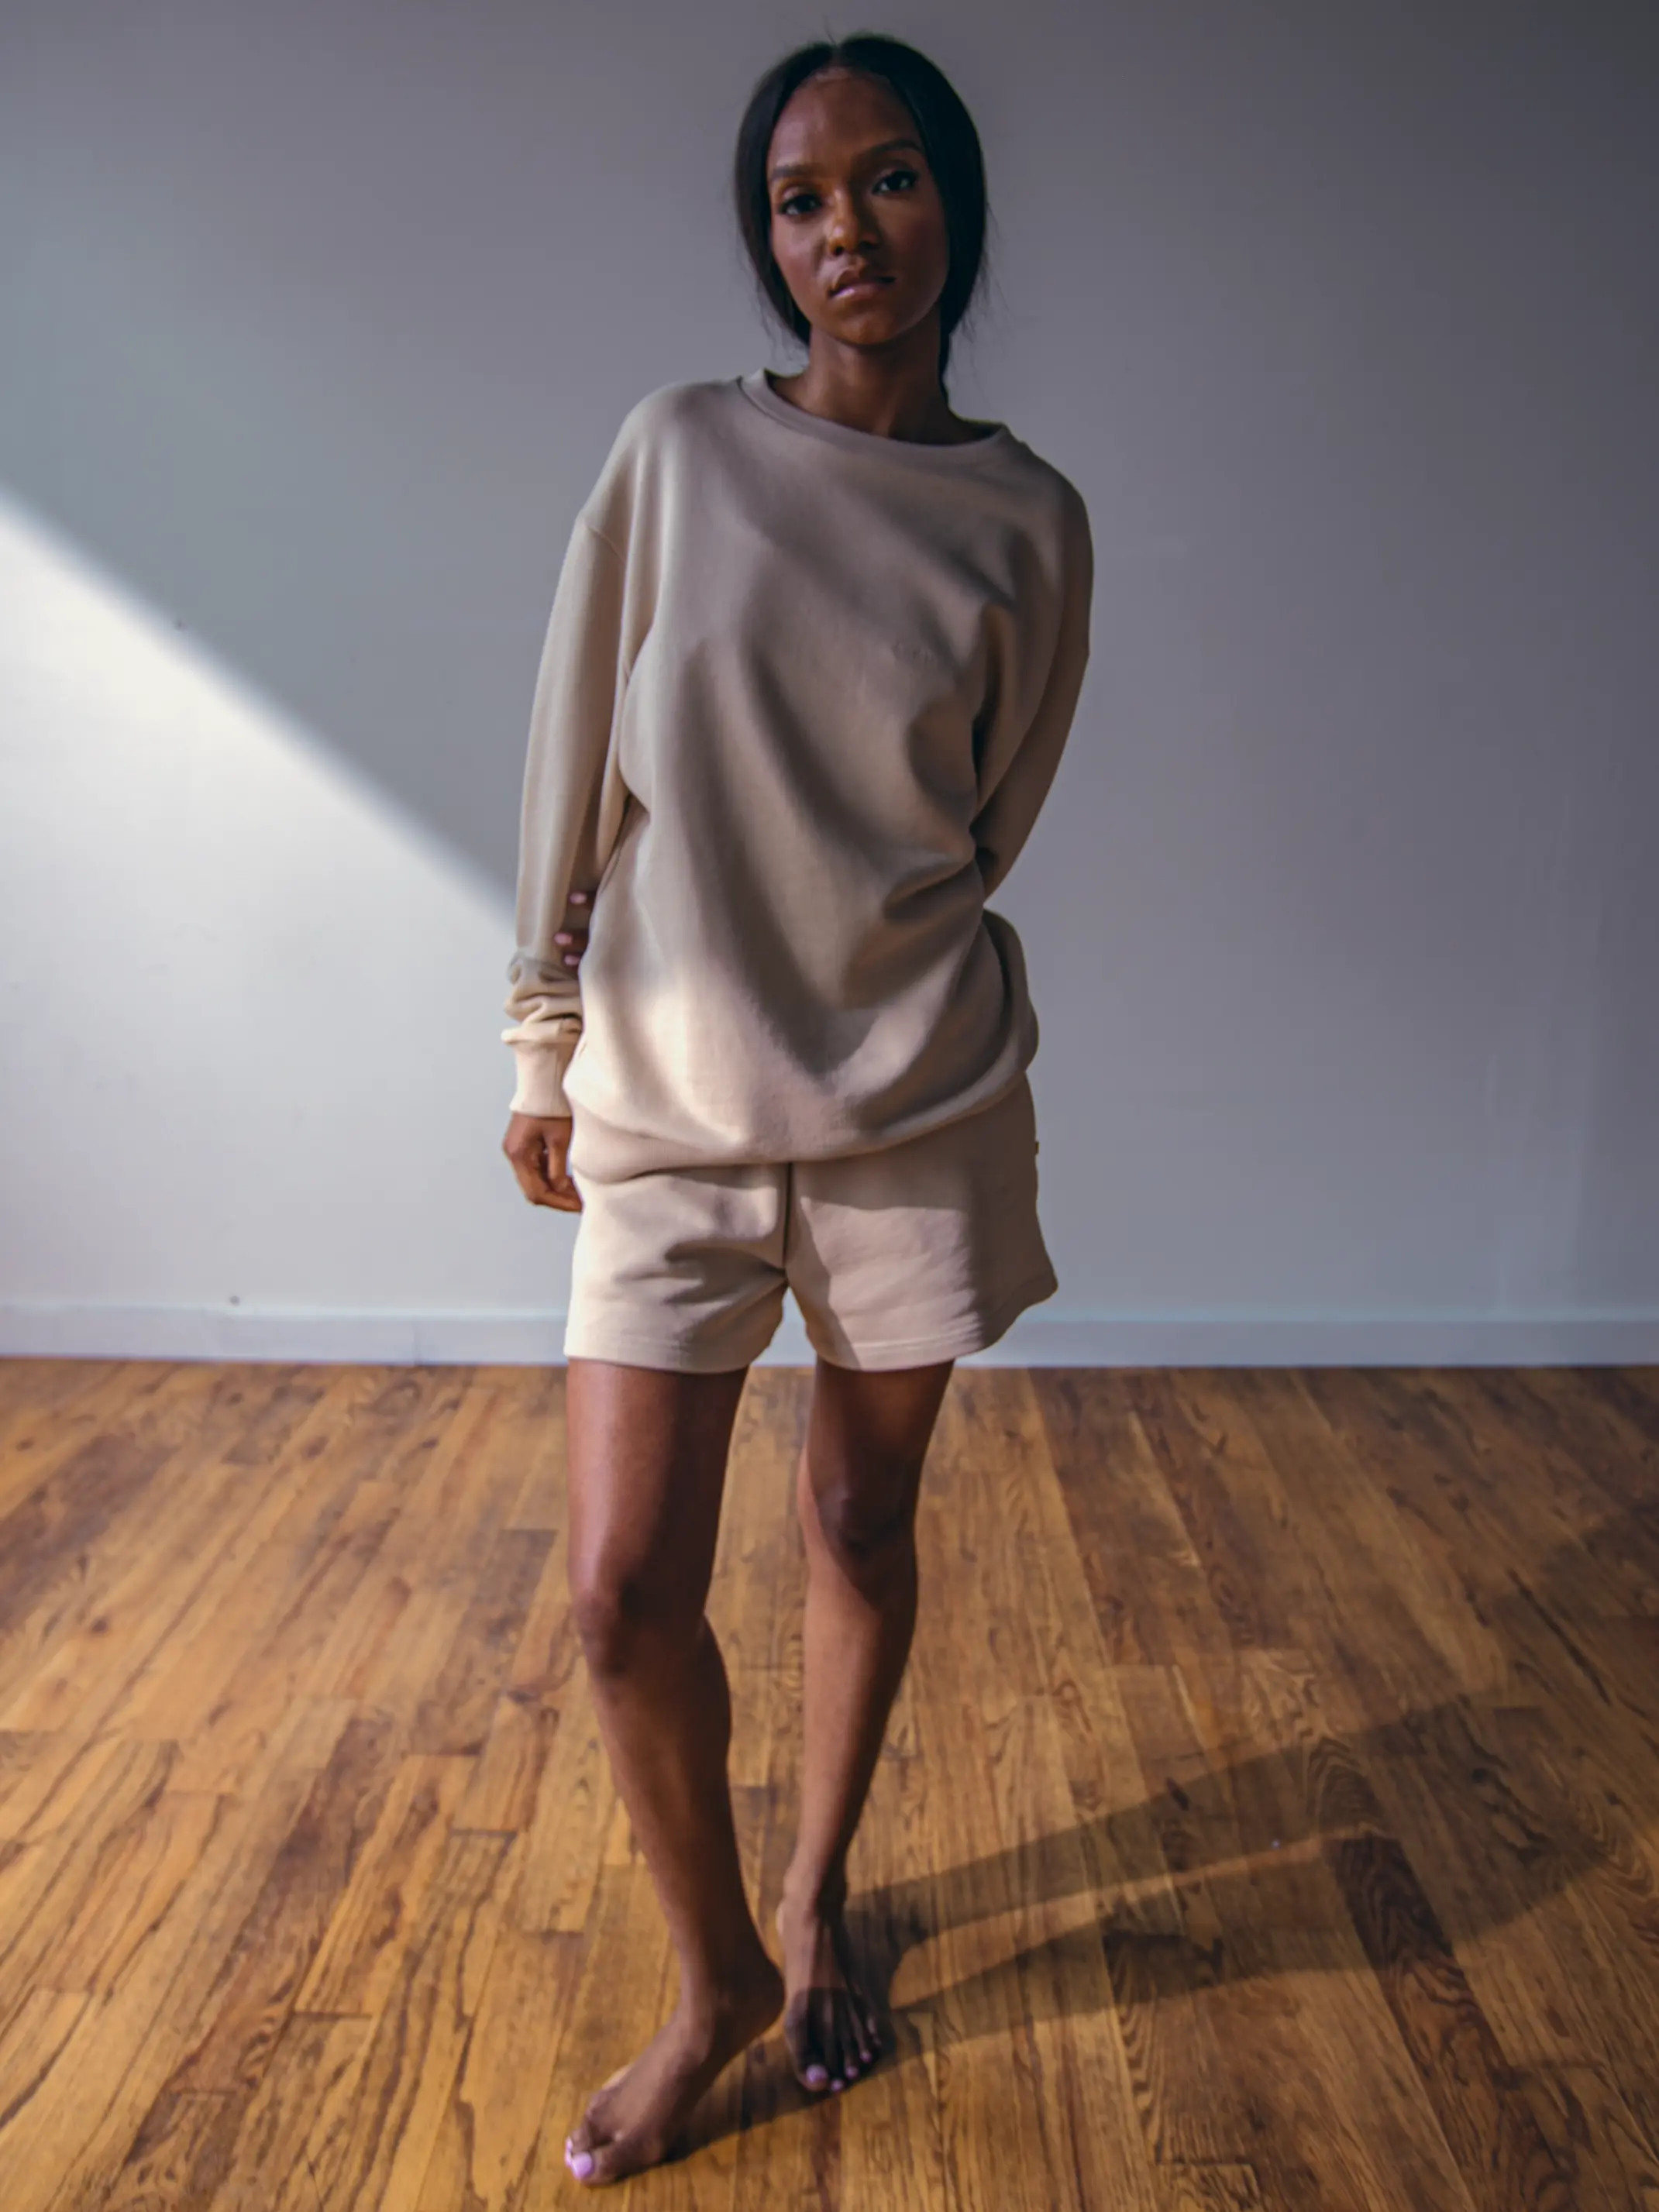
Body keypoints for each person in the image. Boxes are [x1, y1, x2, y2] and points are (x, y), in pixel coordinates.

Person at [499, 30, 1093, 2189]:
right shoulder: (674, 454)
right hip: (665, 1100)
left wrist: (850, 954)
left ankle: (822, 1890)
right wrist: (540, 1033)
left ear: (957, 209)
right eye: (799, 196)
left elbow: (984, 818)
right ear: (767, 240)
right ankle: (717, 1980)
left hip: (913, 1095)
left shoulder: (1028, 517)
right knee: (617, 1584)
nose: (847, 227)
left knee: (858, 1520)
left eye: (889, 177)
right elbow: (574, 754)